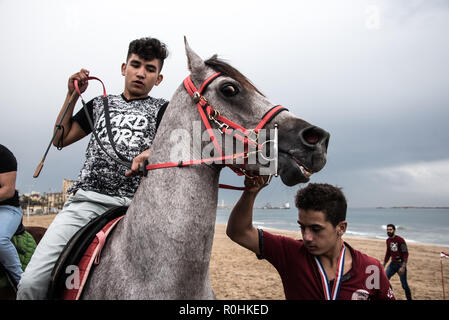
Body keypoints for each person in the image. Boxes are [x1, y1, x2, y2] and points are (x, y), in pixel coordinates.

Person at [17, 37, 169, 299]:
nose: (141, 73)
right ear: (124, 68)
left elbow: (182, 147)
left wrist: (152, 152)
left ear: (159, 78)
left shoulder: (164, 110)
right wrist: (72, 95)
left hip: (136, 209)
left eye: (150, 69)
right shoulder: (100, 105)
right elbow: (60, 139)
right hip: (85, 202)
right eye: (136, 65)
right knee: (31, 283)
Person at [226, 178, 395, 300]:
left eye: (316, 229)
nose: (306, 237)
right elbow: (239, 231)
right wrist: (251, 192)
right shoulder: (290, 253)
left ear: (341, 228)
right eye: (302, 227)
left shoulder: (370, 269)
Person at [0, 144, 24, 288]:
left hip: (7, 208)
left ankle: (21, 284)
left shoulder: (3, 155)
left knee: (0, 239)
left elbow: (8, 190)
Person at [383, 224, 412, 300]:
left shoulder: (400, 240)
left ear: (394, 230)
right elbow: (388, 253)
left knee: (404, 285)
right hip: (392, 264)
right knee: (385, 280)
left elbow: (406, 253)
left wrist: (403, 266)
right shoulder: (388, 240)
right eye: (387, 230)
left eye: (390, 229)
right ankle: (391, 296)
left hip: (400, 265)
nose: (389, 231)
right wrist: (384, 264)